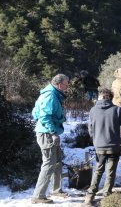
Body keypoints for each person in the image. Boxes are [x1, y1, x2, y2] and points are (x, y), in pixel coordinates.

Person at [31, 74, 69, 204]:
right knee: (48, 163)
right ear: (59, 84)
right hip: (47, 134)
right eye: (66, 84)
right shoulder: (50, 96)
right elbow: (44, 117)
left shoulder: (53, 94)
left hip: (50, 132)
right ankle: (38, 195)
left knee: (57, 161)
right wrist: (52, 132)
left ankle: (56, 189)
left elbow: (35, 113)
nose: (67, 86)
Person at [84, 88, 121, 205]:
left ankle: (90, 196)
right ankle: (107, 196)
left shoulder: (93, 110)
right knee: (110, 171)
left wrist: (95, 140)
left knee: (98, 170)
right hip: (114, 146)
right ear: (110, 98)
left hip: (99, 146)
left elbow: (90, 128)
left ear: (101, 97)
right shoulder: (117, 110)